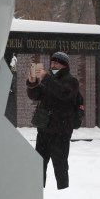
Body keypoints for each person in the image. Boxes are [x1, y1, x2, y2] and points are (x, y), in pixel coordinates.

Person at [26, 51, 80, 189]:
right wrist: (32, 82)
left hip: (61, 131)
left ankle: (63, 191)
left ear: (64, 65)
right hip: (44, 129)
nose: (53, 64)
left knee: (60, 164)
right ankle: (37, 190)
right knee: (38, 163)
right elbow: (35, 95)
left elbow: (63, 93)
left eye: (57, 62)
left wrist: (45, 78)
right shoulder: (48, 80)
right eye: (52, 62)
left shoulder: (71, 81)